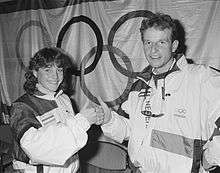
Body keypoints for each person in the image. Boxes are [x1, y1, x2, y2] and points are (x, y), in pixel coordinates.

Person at [98, 12, 220, 173]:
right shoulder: (139, 86)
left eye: (161, 42)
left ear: (174, 45)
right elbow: (129, 132)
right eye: (148, 42)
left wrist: (210, 158)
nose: (153, 50)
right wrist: (109, 120)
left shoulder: (200, 77)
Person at [9, 47, 104, 173]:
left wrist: (93, 120)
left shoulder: (64, 99)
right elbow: (35, 149)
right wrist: (82, 121)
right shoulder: (22, 106)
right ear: (35, 73)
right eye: (47, 70)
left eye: (59, 70)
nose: (55, 76)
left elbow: (69, 143)